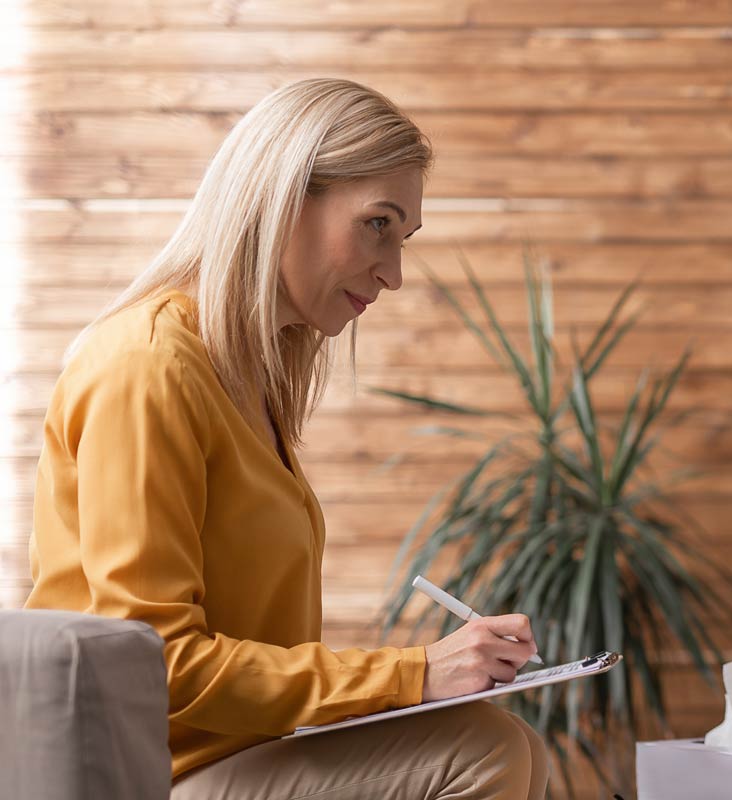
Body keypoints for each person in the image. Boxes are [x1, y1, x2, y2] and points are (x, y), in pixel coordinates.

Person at [25, 78, 550, 799]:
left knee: (511, 746)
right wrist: (414, 674)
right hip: (153, 775)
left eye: (402, 238)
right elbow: (153, 663)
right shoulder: (147, 367)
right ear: (284, 196)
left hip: (229, 759)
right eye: (378, 224)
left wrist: (419, 680)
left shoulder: (241, 381)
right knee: (484, 752)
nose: (393, 273)